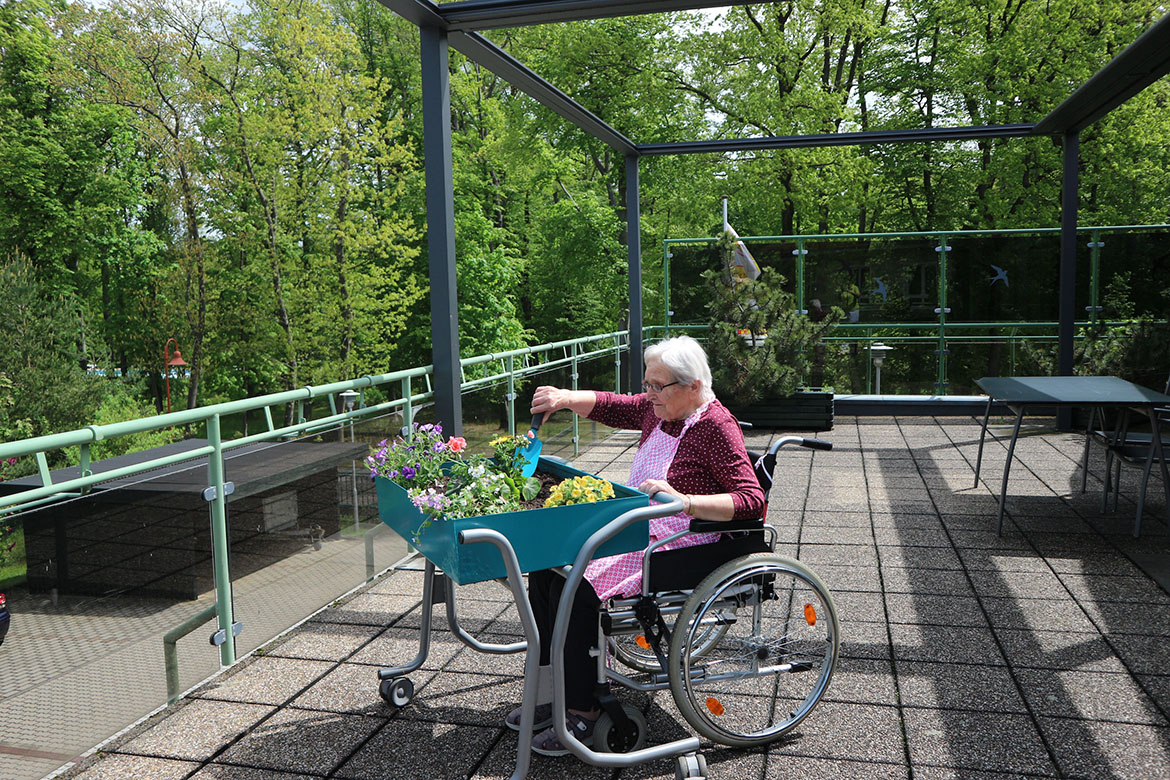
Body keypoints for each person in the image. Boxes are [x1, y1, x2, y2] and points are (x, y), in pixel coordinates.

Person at [507, 335, 766, 756]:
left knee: (577, 590)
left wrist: (685, 500)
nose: (648, 395)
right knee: (547, 570)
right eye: (647, 384)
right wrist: (566, 397)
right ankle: (552, 691)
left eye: (657, 386)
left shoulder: (716, 427)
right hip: (641, 528)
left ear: (693, 387)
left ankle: (584, 710)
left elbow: (751, 500)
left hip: (684, 540)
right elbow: (615, 406)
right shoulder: (661, 410)